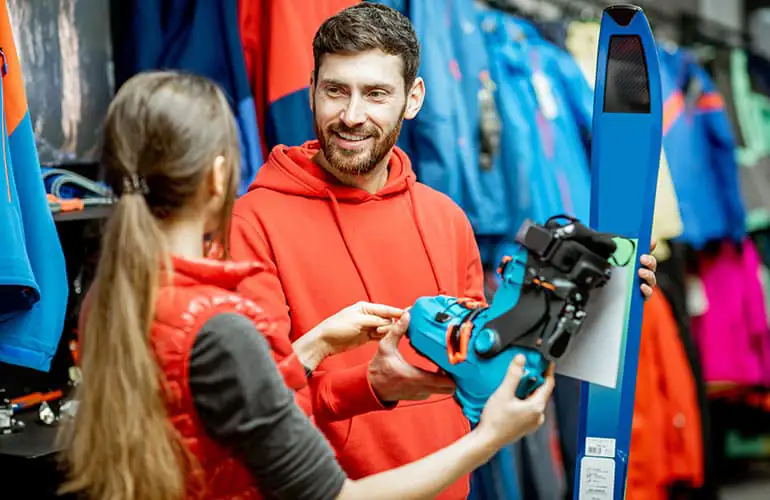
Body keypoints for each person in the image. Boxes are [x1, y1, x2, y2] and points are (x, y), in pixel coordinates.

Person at [57, 70, 557, 500]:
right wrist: (488, 438)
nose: (353, 114)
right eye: (336, 91)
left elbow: (213, 407)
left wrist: (316, 347)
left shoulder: (109, 297)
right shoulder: (220, 326)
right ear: (215, 178)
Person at [229, 3, 659, 499]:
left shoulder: (447, 218)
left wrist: (599, 304)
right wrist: (371, 386)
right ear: (311, 91)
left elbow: (485, 367)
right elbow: (259, 407)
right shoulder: (253, 222)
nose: (351, 116)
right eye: (335, 91)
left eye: (375, 94)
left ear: (413, 99)